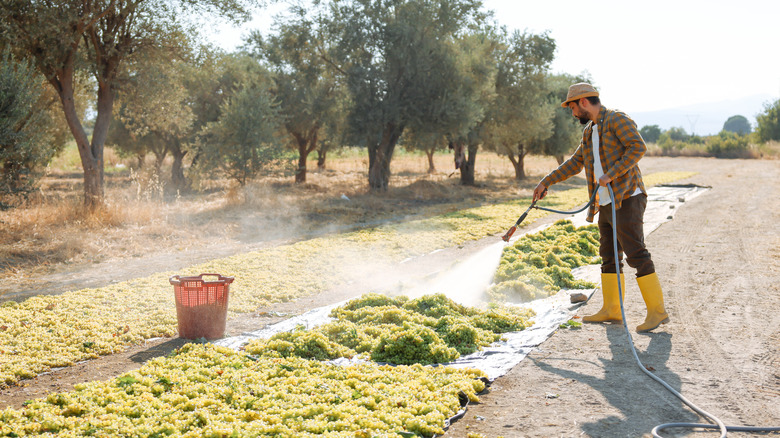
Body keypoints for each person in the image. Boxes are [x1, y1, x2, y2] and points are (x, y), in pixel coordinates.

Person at [532, 83, 669, 333]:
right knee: (608, 255)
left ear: (583, 103)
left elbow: (638, 147)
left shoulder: (616, 119)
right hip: (605, 202)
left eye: (573, 108)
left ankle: (657, 312)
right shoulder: (589, 131)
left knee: (636, 253)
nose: (573, 114)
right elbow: (575, 163)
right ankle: (612, 309)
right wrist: (545, 181)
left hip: (627, 197)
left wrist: (611, 173)